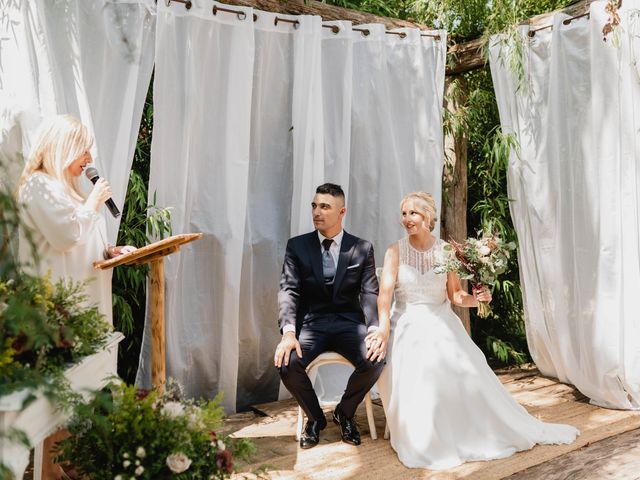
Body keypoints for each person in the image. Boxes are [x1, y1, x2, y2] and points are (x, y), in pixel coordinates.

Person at [374, 192, 579, 470]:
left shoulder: (446, 250)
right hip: (406, 321)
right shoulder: (394, 251)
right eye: (404, 214)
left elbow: (456, 295)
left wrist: (477, 299)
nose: (407, 219)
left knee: (458, 361)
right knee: (418, 353)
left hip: (439, 319)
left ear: (427, 217)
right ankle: (422, 433)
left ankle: (467, 428)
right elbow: (384, 296)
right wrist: (384, 328)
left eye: (413, 213)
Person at [15, 114, 135, 479]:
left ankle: (58, 469)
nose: (89, 156)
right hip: (56, 312)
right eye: (82, 147)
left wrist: (109, 251)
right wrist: (95, 201)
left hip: (84, 309)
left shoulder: (67, 189)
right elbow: (65, 235)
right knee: (57, 397)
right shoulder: (37, 185)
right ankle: (48, 472)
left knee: (74, 395)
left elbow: (80, 244)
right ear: (61, 147)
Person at [274, 183, 386, 449]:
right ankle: (315, 419)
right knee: (286, 363)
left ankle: (344, 412)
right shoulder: (297, 246)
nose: (317, 211)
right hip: (311, 325)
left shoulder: (362, 247)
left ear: (342, 211)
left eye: (325, 206)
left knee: (376, 358)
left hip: (349, 323)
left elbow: (370, 292)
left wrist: (374, 329)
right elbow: (288, 290)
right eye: (314, 205)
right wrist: (289, 332)